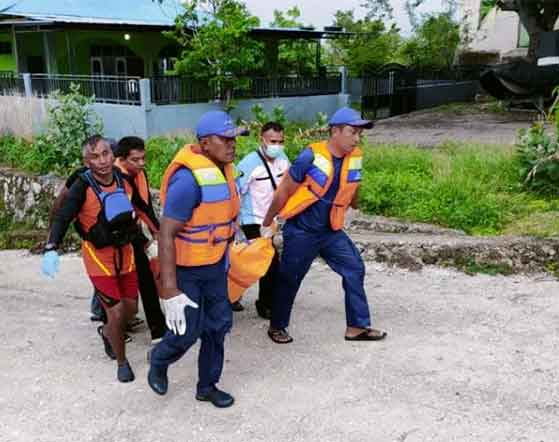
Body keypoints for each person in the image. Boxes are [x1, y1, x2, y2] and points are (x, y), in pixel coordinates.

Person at [261, 107, 387, 344]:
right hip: (302, 231)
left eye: (359, 134)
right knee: (290, 278)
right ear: (335, 131)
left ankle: (357, 326)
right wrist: (268, 222)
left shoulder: (355, 157)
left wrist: (355, 199)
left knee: (355, 268)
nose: (357, 138)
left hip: (331, 231)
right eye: (352, 132)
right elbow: (284, 191)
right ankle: (277, 325)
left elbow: (354, 188)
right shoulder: (310, 156)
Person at [147, 111, 244, 408]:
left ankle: (207, 386)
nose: (232, 145)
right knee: (186, 332)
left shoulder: (226, 170)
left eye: (234, 139)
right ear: (204, 143)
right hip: (186, 270)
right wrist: (170, 288)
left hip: (214, 265)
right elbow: (166, 234)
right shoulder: (188, 181)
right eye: (225, 139)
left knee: (218, 327)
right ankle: (159, 359)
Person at [42, 135, 139, 383]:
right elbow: (63, 217)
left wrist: (156, 235)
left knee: (129, 310)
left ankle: (107, 332)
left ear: (113, 154)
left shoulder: (125, 180)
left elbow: (140, 210)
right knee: (115, 313)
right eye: (95, 157)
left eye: (106, 153)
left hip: (125, 253)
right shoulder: (81, 187)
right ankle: (122, 362)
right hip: (99, 257)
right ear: (86, 162)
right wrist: (52, 247)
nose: (103, 160)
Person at [113, 136, 168, 344]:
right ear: (122, 159)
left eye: (143, 158)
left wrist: (156, 231)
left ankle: (145, 324)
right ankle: (156, 329)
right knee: (137, 278)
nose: (141, 164)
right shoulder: (116, 179)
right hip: (120, 236)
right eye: (136, 160)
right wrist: (146, 240)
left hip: (135, 231)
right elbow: (128, 213)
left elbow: (144, 206)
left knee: (138, 277)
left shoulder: (138, 173)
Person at [235, 121, 289, 318]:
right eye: (273, 141)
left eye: (280, 141)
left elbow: (287, 184)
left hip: (273, 220)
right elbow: (235, 192)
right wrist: (234, 222)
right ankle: (265, 304)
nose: (277, 145)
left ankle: (232, 295)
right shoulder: (248, 164)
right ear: (262, 140)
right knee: (270, 262)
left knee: (250, 262)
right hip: (253, 220)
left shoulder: (283, 158)